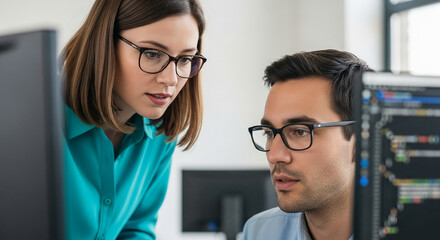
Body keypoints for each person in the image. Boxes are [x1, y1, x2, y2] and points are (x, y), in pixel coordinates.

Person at [61, 0, 206, 239]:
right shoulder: (33, 123)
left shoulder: (160, 135)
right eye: (151, 54)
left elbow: (136, 229)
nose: (170, 79)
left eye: (184, 60)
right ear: (104, 44)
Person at [243, 50, 372, 240]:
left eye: (300, 132)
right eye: (269, 133)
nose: (274, 155)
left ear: (361, 140)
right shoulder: (259, 232)